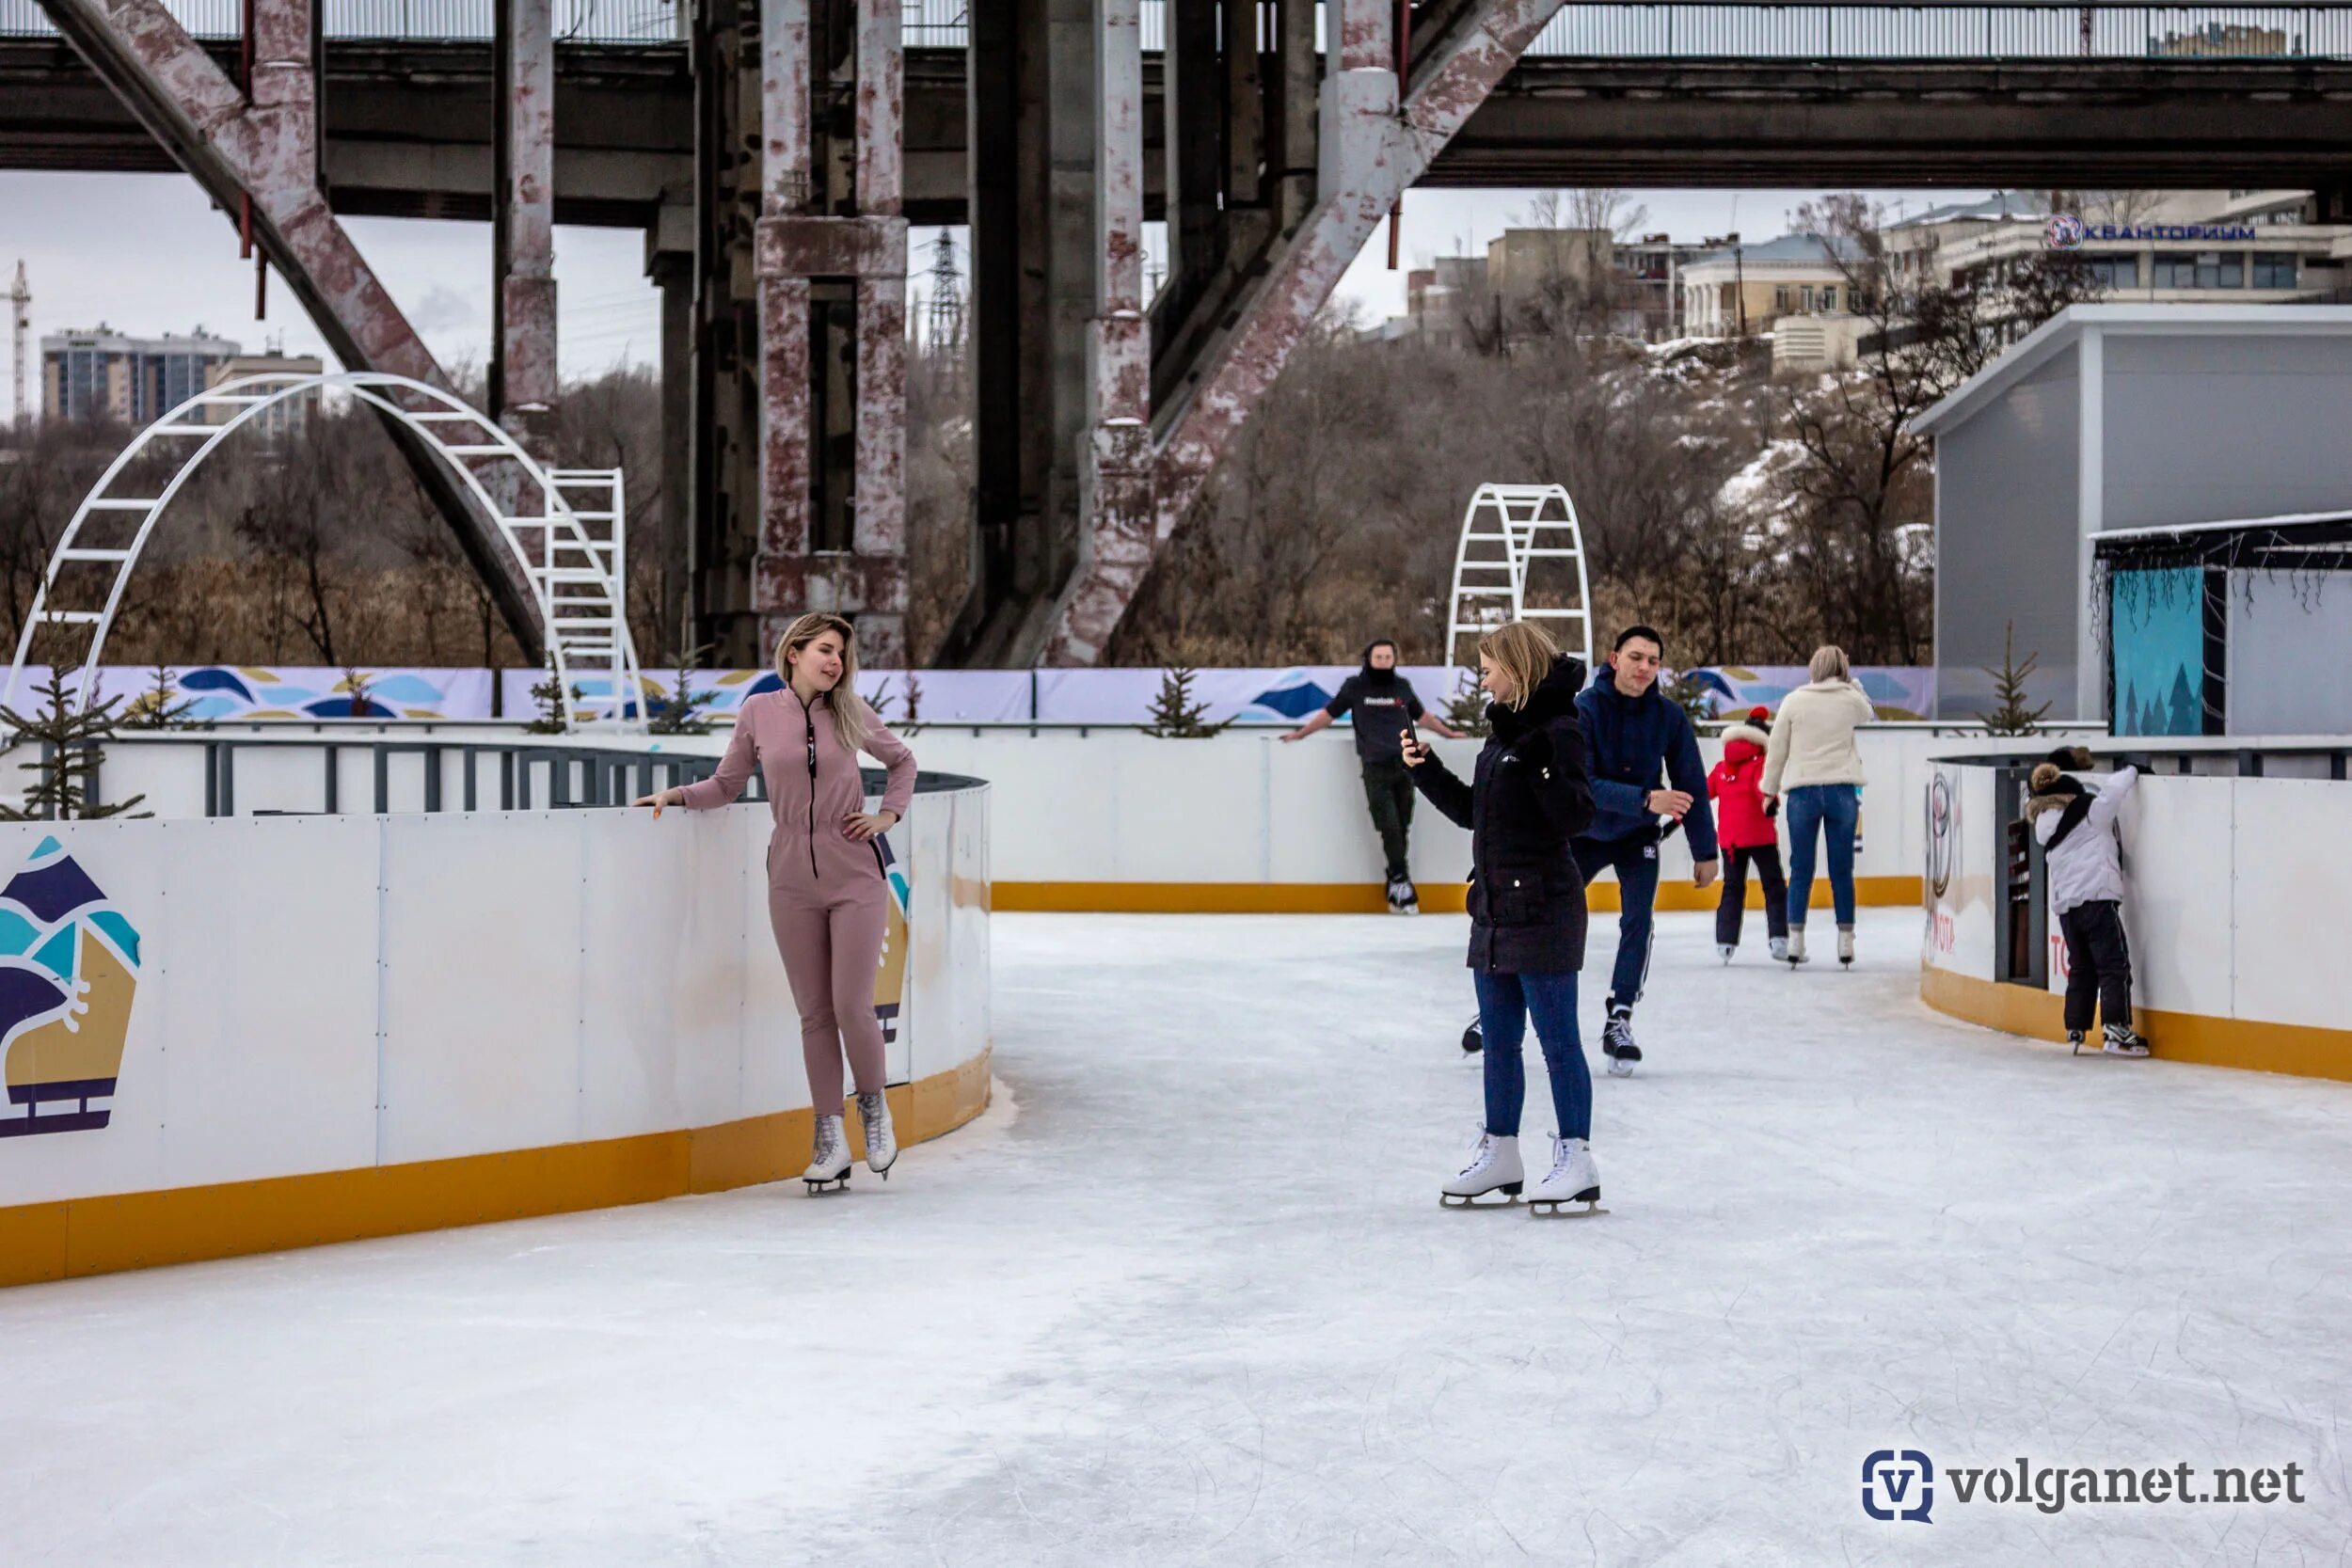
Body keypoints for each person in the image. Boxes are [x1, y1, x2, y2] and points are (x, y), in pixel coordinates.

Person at [633, 612, 917, 1193]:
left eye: (841, 653)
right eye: (824, 650)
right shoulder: (759, 713)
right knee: (813, 1013)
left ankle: (873, 1109)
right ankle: (830, 1138)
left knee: (851, 1005)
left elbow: (902, 762)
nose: (834, 661)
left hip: (855, 875)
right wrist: (677, 795)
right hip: (789, 878)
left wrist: (887, 815)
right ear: (794, 652)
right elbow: (726, 785)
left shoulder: (852, 712)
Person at [1402, 621, 1602, 1215]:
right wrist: (1424, 769)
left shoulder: (1560, 730)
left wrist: (1541, 761)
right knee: (1499, 1045)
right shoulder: (1503, 733)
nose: (1481, 677)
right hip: (1493, 907)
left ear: (1516, 669)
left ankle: (1576, 1158)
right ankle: (1502, 1152)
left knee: (1558, 1042)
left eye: (1488, 667)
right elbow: (1474, 813)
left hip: (1544, 907)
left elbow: (1576, 817)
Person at [1572, 626, 1719, 1076]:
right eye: (1636, 657)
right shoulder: (1585, 708)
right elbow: (1582, 781)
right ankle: (1505, 1005)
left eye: (1653, 661)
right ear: (1614, 659)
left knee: (1639, 920)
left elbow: (1691, 783)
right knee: (1547, 916)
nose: (1644, 668)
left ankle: (1620, 1017)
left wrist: (1705, 849)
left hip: (1638, 836)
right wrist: (1643, 798)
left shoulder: (1668, 717)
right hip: (1583, 832)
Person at [1281, 639, 1465, 912]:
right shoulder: (1355, 687)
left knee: (1403, 824)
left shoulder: (1401, 687)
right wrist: (1299, 734)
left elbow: (1422, 716)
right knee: (1388, 825)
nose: (1383, 661)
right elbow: (1329, 715)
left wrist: (1448, 734)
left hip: (1406, 764)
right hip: (1374, 766)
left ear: (1394, 659)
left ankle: (1395, 880)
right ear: (1368, 658)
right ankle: (1402, 883)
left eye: (1388, 656)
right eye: (1378, 657)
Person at [2026, 746, 2148, 1056]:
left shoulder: (2046, 828)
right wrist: (2132, 770)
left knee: (2081, 967)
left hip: (2068, 910)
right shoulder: (2089, 814)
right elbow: (2111, 793)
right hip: (2096, 900)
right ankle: (2116, 1029)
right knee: (2113, 966)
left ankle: (2076, 1026)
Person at [1760, 644, 1875, 967]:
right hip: (1841, 791)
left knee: (1801, 869)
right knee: (1842, 870)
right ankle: (1846, 944)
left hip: (1802, 793)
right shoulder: (1850, 699)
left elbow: (1777, 750)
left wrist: (1769, 790)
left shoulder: (1794, 700)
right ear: (1842, 668)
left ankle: (1795, 941)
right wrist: (1851, 682)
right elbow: (1868, 711)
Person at [1708, 705, 1788, 964]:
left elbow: (1701, 794)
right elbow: (1763, 789)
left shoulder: (1722, 767)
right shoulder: (1762, 763)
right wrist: (1770, 801)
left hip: (1729, 839)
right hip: (1760, 836)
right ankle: (1779, 938)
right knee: (1773, 886)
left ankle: (1725, 941)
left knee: (1732, 887)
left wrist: (1676, 815)